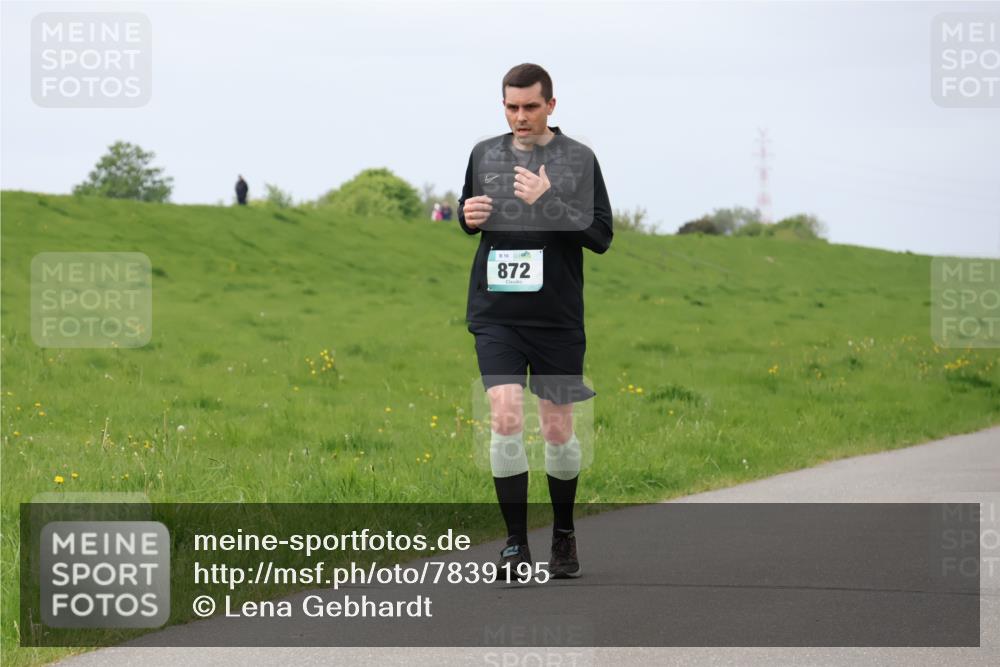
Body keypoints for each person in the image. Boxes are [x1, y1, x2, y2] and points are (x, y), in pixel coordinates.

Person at [457, 63, 613, 579]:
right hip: (496, 312)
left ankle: (563, 535)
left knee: (556, 429)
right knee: (503, 416)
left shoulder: (579, 159)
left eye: (529, 106)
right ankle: (515, 546)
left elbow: (600, 236)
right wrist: (466, 216)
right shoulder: (484, 153)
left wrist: (546, 201)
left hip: (557, 318)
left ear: (551, 104)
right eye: (511, 106)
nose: (519, 116)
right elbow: (469, 212)